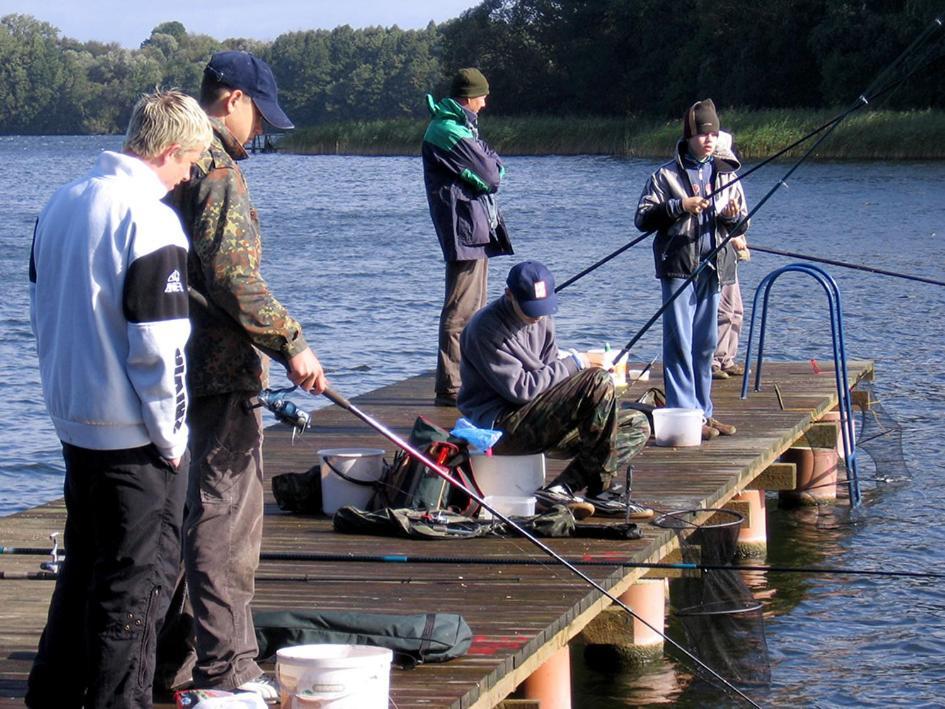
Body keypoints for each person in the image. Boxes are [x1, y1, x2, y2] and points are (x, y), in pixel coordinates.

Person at [26, 90, 212, 708]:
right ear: (167, 151)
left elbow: (45, 308)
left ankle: (51, 696)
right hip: (134, 438)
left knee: (83, 570)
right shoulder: (151, 219)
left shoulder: (61, 202)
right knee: (135, 591)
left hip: (75, 424)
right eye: (189, 163)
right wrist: (174, 437)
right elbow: (159, 348)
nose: (188, 177)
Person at [171, 51, 327, 700]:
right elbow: (233, 277)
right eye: (258, 114)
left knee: (179, 513)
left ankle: (165, 662)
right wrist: (292, 342)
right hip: (220, 370)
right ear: (231, 99)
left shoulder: (166, 161)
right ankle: (227, 668)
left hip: (167, 370)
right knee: (225, 521)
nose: (259, 131)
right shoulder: (216, 170)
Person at [458, 261, 652, 519]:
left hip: (539, 417)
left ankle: (565, 488)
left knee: (637, 424)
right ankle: (599, 490)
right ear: (509, 295)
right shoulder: (485, 329)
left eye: (543, 308)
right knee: (595, 381)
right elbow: (522, 390)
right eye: (530, 310)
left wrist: (590, 394)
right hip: (500, 425)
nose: (537, 316)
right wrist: (576, 363)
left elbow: (551, 375)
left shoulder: (543, 318)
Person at [635, 99, 749, 441]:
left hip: (713, 269)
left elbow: (741, 225)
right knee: (680, 343)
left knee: (705, 344)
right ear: (689, 137)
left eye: (713, 133)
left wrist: (729, 218)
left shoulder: (726, 174)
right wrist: (678, 206)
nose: (709, 140)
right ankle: (685, 413)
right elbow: (642, 218)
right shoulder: (665, 175)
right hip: (678, 268)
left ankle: (703, 411)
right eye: (702, 134)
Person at [422, 67, 512, 408]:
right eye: (483, 96)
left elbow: (493, 166)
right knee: (461, 309)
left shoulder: (460, 127)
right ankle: (450, 386)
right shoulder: (446, 130)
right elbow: (492, 175)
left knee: (474, 308)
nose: (485, 103)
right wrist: (487, 169)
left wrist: (487, 167)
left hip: (474, 227)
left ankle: (466, 379)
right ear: (468, 97)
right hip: (463, 229)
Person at [711, 132, 750, 380]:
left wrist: (735, 224)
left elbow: (743, 217)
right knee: (721, 310)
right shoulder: (702, 179)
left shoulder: (732, 179)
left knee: (736, 310)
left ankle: (727, 358)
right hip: (711, 253)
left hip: (730, 253)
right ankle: (713, 360)